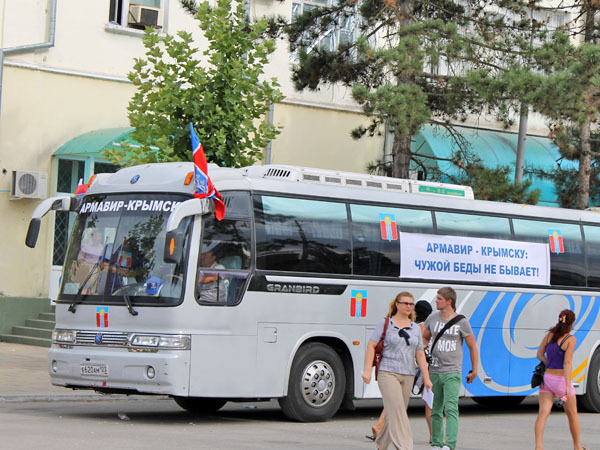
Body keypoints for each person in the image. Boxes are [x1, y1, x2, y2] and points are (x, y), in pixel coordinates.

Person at [363, 292, 433, 450]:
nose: (408, 306)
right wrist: (367, 370)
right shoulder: (385, 323)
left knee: (394, 412)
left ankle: (381, 444)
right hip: (388, 372)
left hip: (408, 374)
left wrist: (427, 378)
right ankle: (405, 446)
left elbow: (420, 354)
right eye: (405, 303)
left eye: (411, 304)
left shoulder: (415, 328)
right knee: (399, 413)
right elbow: (371, 345)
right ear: (397, 304)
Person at [422, 287, 478, 450]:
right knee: (435, 409)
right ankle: (436, 442)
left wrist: (474, 370)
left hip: (452, 372)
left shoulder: (461, 322)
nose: (436, 301)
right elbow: (424, 338)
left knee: (451, 408)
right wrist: (425, 351)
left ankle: (450, 444)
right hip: (434, 370)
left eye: (439, 299)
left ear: (449, 301)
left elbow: (472, 346)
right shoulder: (432, 318)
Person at [534, 309, 587, 450]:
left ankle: (539, 447)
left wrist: (548, 363)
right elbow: (567, 363)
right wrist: (568, 386)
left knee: (543, 414)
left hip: (547, 379)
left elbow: (539, 355)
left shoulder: (549, 335)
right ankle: (577, 447)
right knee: (572, 415)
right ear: (572, 323)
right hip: (561, 381)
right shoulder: (570, 340)